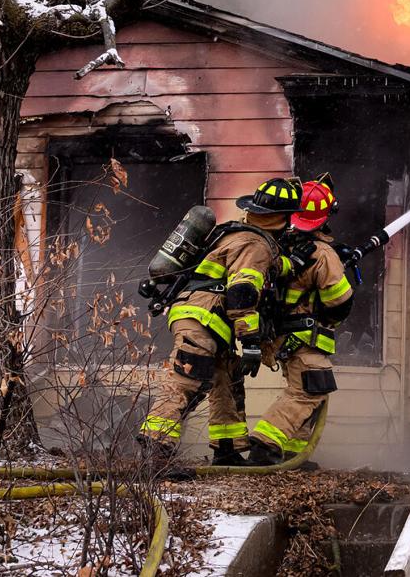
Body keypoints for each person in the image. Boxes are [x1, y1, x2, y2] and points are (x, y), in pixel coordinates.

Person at [137, 177, 300, 468]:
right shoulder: (254, 244)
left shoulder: (236, 234)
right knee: (187, 380)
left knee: (227, 380)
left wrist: (291, 262)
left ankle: (228, 450)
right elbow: (242, 292)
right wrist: (250, 340)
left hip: (208, 317)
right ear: (284, 219)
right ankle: (155, 453)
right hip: (202, 316)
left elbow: (270, 269)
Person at [245, 177, 354, 465]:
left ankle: (293, 453)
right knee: (310, 389)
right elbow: (340, 303)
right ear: (324, 216)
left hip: (280, 333)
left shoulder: (279, 246)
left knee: (306, 390)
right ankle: (265, 445)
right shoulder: (322, 254)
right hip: (303, 335)